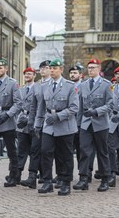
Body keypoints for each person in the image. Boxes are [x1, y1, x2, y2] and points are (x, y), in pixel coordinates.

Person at [35, 59, 79, 196]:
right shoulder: (44, 86)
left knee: (65, 155)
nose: (52, 70)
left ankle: (65, 182)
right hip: (48, 125)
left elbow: (74, 108)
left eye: (55, 68)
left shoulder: (70, 86)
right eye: (51, 68)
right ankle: (47, 181)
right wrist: (38, 124)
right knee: (45, 151)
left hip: (65, 125)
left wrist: (58, 116)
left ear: (61, 69)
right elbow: (41, 107)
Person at [74, 59, 113, 192]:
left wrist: (96, 111)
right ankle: (84, 178)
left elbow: (110, 105)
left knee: (102, 152)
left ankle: (105, 179)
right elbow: (80, 106)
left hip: (101, 123)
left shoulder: (106, 85)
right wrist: (78, 124)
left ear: (99, 69)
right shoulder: (83, 85)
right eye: (89, 67)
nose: (90, 70)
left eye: (93, 67)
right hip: (86, 123)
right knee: (84, 151)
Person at [0, 59, 22, 187]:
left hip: (8, 118)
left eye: (1, 68)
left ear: (6, 69)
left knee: (11, 150)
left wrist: (8, 115)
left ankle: (13, 176)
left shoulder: (13, 83)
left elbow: (18, 103)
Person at [16, 67, 41, 189]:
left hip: (34, 121)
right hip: (22, 122)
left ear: (34, 75)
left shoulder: (38, 88)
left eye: (29, 74)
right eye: (25, 73)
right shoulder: (21, 89)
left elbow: (40, 107)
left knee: (35, 150)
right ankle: (16, 174)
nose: (27, 75)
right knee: (21, 149)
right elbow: (18, 105)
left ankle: (33, 176)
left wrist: (33, 120)